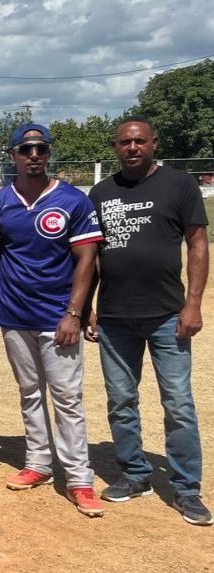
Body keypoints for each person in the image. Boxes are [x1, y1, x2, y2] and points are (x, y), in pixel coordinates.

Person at [86, 116, 211, 525]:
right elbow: (92, 255)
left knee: (178, 403)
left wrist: (193, 304)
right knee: (121, 401)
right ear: (115, 147)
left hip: (166, 314)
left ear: (154, 143)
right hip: (115, 317)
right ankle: (135, 473)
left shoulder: (179, 184)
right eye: (124, 142)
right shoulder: (102, 193)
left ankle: (187, 488)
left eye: (139, 141)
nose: (132, 148)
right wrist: (87, 307)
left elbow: (197, 243)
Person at [0, 124, 104, 517]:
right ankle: (38, 463)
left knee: (67, 399)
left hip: (58, 316)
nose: (34, 155)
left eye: (41, 149)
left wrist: (76, 312)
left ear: (48, 153)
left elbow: (87, 260)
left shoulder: (73, 200)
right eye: (26, 149)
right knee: (30, 393)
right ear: (13, 155)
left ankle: (79, 478)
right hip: (14, 314)